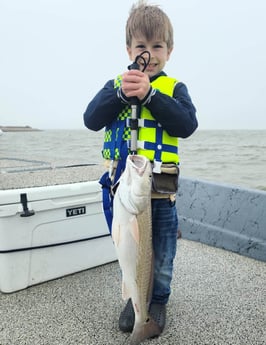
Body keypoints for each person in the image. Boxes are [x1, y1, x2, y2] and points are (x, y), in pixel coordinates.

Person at [83, 0, 198, 338]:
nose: (150, 53)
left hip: (159, 190)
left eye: (157, 46)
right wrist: (120, 94)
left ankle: (157, 300)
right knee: (128, 250)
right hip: (122, 189)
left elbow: (186, 124)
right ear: (129, 49)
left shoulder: (174, 89)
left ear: (169, 50)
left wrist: (150, 96)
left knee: (161, 250)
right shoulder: (115, 85)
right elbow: (91, 119)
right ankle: (134, 297)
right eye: (142, 46)